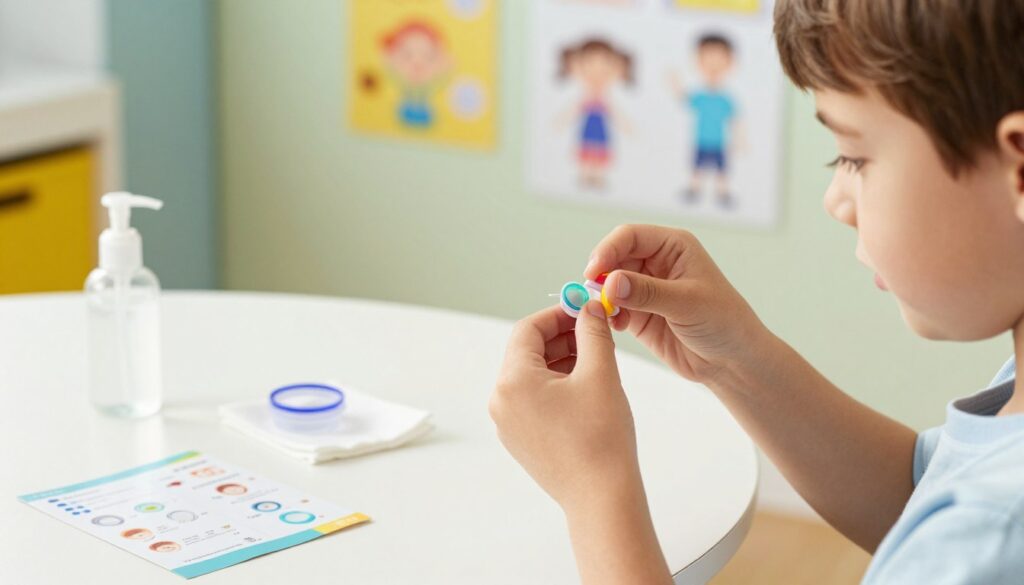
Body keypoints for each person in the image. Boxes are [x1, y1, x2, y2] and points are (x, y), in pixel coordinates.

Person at [489, 1, 1024, 583]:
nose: (836, 201)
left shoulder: (990, 538)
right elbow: (924, 497)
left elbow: (961, 533)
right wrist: (736, 358)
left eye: (854, 156)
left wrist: (594, 486)